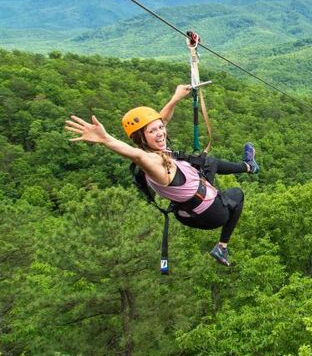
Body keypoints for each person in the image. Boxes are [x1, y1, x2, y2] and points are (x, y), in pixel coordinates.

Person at [65, 84, 259, 266]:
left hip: (187, 213)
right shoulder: (153, 163)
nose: (160, 132)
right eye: (153, 131)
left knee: (209, 162)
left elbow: (162, 119)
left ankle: (248, 166)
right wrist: (106, 139)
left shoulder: (156, 150)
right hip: (212, 214)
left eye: (161, 128)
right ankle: (222, 247)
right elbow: (137, 155)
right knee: (237, 194)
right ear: (142, 138)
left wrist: (175, 99)